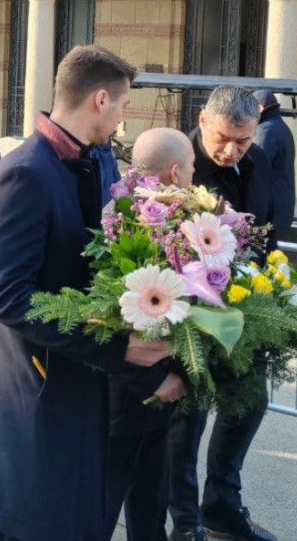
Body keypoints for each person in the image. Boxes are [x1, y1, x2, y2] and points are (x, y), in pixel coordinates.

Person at [0, 45, 177, 541]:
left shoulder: (95, 160)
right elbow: (9, 297)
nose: (121, 121)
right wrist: (119, 348)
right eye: (121, 106)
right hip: (33, 387)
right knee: (34, 524)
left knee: (62, 522)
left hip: (77, 380)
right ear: (100, 99)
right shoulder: (23, 174)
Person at [165, 86, 278, 541]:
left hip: (246, 312)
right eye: (224, 138)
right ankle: (185, 524)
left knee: (249, 403)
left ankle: (221, 506)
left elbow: (269, 230)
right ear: (204, 121)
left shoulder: (259, 162)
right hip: (189, 317)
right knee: (185, 425)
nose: (232, 151)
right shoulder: (178, 163)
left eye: (244, 141)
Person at [107, 128, 195, 541]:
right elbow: (115, 322)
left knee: (148, 505)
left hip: (155, 396)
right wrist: (157, 379)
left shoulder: (120, 209)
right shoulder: (128, 222)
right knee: (113, 503)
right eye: (192, 166)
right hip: (127, 396)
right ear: (176, 172)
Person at [251, 90, 295, 243]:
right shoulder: (280, 126)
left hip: (271, 210)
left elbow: (254, 169)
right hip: (282, 207)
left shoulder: (266, 131)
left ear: (261, 108)